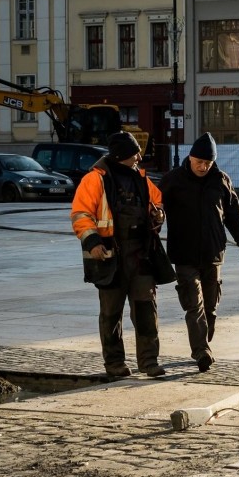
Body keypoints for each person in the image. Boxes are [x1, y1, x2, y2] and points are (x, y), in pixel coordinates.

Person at [70, 131, 167, 377]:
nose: (139, 157)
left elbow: (158, 202)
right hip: (109, 258)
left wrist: (158, 215)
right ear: (121, 155)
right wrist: (92, 241)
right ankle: (114, 364)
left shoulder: (141, 179)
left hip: (140, 256)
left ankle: (149, 362)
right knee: (111, 314)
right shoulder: (95, 180)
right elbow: (81, 214)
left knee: (146, 310)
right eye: (135, 153)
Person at [158, 132, 239, 372]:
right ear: (190, 158)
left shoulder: (221, 180)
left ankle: (204, 339)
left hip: (213, 253)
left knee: (210, 306)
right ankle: (201, 351)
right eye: (199, 161)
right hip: (184, 254)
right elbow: (156, 211)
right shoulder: (173, 180)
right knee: (194, 304)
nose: (203, 167)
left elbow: (234, 215)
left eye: (207, 163)